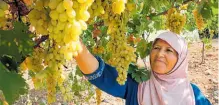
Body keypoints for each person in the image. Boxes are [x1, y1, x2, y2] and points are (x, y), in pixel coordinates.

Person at [74, 31, 211, 105]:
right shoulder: (138, 84)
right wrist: (74, 42)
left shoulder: (193, 95)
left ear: (180, 60)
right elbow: (100, 74)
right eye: (156, 48)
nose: (160, 54)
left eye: (169, 50)